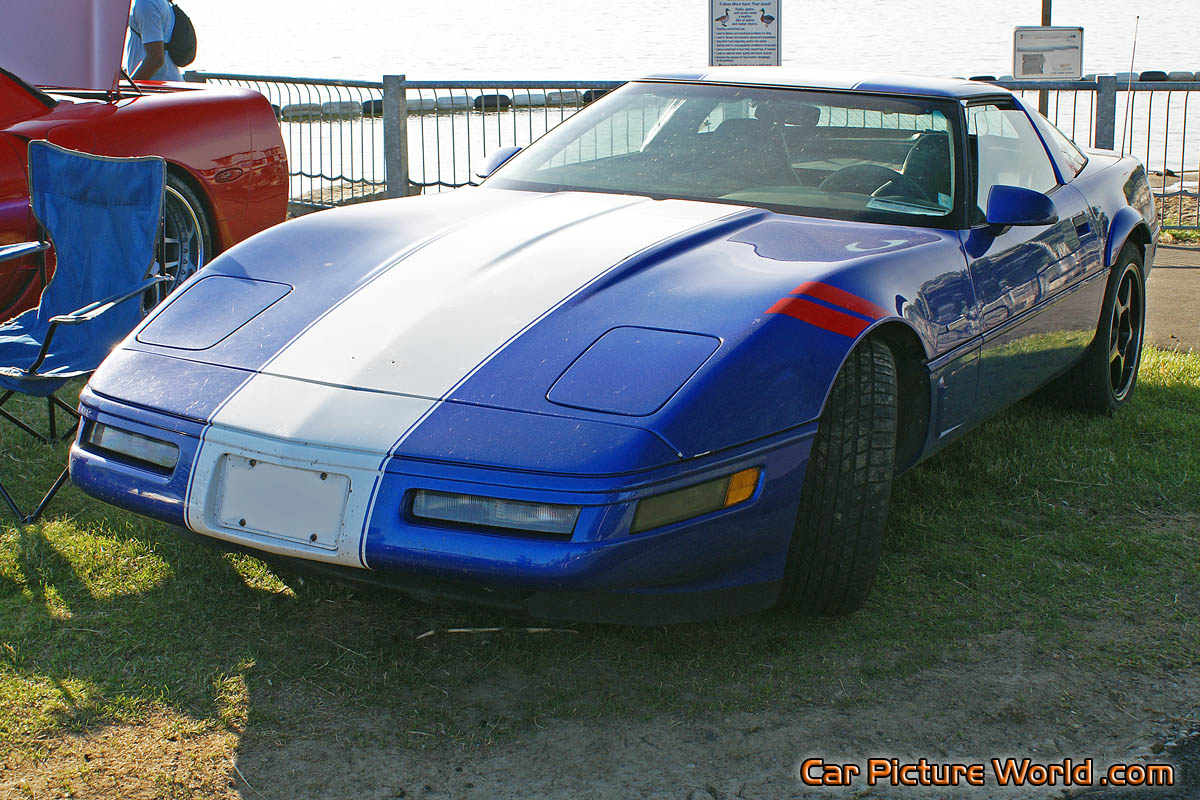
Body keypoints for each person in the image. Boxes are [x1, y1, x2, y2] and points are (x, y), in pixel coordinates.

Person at [126, 0, 183, 81]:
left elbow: (155, 59)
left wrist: (130, 85)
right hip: (166, 82)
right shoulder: (155, 2)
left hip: (156, 85)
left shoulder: (146, 3)